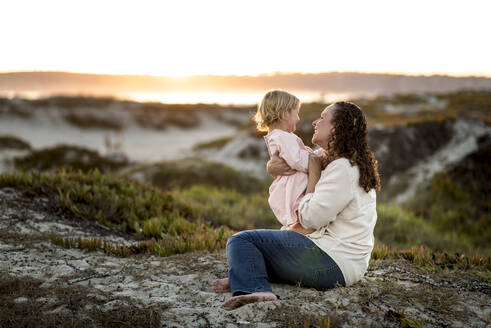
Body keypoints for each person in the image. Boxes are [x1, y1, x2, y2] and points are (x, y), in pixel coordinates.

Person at [212, 101, 381, 310]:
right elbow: (298, 162)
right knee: (259, 250)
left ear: (336, 128)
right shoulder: (338, 161)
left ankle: (255, 288)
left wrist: (314, 177)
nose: (315, 122)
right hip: (340, 262)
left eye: (322, 118)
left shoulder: (343, 168)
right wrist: (272, 166)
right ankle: (247, 277)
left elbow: (310, 218)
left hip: (333, 263)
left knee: (242, 241)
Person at [253, 90, 315, 232]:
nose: (298, 119)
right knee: (299, 211)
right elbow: (298, 161)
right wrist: (318, 158)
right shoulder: (283, 137)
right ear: (285, 113)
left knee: (295, 213)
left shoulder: (278, 136)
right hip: (294, 185)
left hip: (291, 184)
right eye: (296, 113)